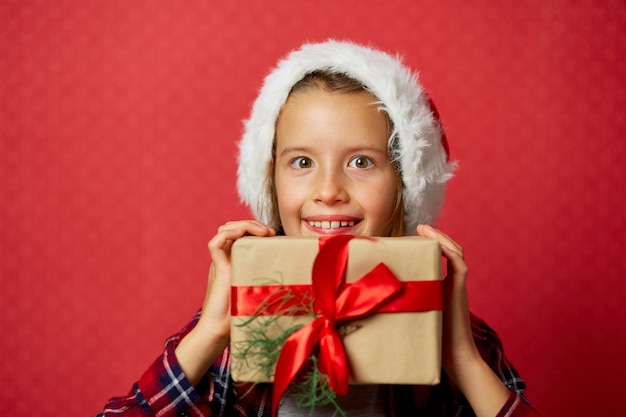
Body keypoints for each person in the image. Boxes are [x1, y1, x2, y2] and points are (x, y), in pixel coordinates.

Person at [98, 40, 539, 416]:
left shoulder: (458, 334)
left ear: (406, 184)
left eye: (361, 162)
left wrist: (462, 357)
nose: (329, 191)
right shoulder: (231, 332)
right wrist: (210, 335)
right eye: (303, 162)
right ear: (270, 182)